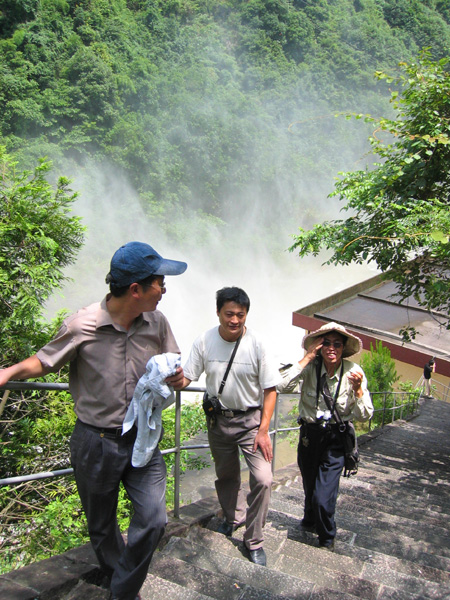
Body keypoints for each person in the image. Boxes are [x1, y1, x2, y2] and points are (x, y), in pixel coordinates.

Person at [0, 241, 187, 600]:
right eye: (160, 283)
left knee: (154, 519)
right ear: (136, 289)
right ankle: (123, 585)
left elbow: (174, 362)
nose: (164, 290)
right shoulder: (82, 324)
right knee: (102, 527)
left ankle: (120, 591)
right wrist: (9, 372)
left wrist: (180, 378)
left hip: (142, 436)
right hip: (95, 441)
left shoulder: (157, 322)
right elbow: (45, 361)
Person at [181, 287, 281, 567]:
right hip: (218, 421)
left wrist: (263, 430)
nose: (234, 320)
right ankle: (232, 518)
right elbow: (188, 376)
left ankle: (254, 541)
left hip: (251, 423)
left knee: (263, 479)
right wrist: (167, 377)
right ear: (218, 312)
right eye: (229, 314)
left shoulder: (258, 344)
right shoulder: (204, 340)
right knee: (226, 476)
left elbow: (271, 389)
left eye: (240, 314)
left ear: (246, 314)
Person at [278, 322, 373, 550]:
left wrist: (359, 391)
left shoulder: (353, 373)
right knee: (310, 485)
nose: (332, 348)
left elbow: (365, 415)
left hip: (335, 440)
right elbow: (280, 386)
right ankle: (310, 518)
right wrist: (306, 359)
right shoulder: (310, 367)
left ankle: (327, 536)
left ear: (343, 348)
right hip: (309, 436)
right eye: (326, 343)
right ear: (319, 346)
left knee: (323, 495)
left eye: (337, 344)